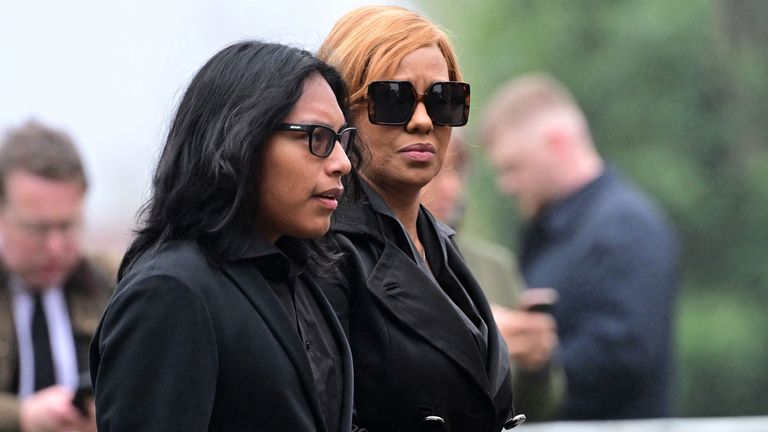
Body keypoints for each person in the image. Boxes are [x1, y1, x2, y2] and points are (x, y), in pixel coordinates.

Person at [89, 41, 356, 431]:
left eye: (341, 139)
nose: (342, 162)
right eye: (317, 137)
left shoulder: (299, 278)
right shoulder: (171, 291)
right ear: (241, 137)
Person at [317, 6, 518, 431]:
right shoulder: (323, 249)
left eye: (445, 100)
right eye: (394, 99)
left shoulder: (438, 242)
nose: (424, 121)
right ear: (342, 112)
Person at [482, 73, 678, 420]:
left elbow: (625, 356)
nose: (506, 185)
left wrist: (525, 359)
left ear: (557, 142)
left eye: (513, 167)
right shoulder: (553, 230)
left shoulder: (629, 225)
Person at [421, 131, 565, 421]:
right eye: (434, 171)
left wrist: (537, 363)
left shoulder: (497, 268)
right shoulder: (370, 264)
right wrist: (481, 340)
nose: (450, 187)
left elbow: (540, 408)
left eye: (457, 171)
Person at [0, 120, 110, 432]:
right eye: (37, 228)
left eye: (67, 226)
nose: (55, 246)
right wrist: (22, 418)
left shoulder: (118, 286)